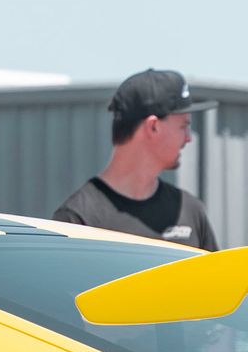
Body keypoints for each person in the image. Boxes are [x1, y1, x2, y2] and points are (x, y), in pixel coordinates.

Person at [53, 69, 219, 246]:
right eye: (183, 126)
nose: (188, 137)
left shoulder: (190, 211)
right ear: (153, 126)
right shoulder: (77, 219)